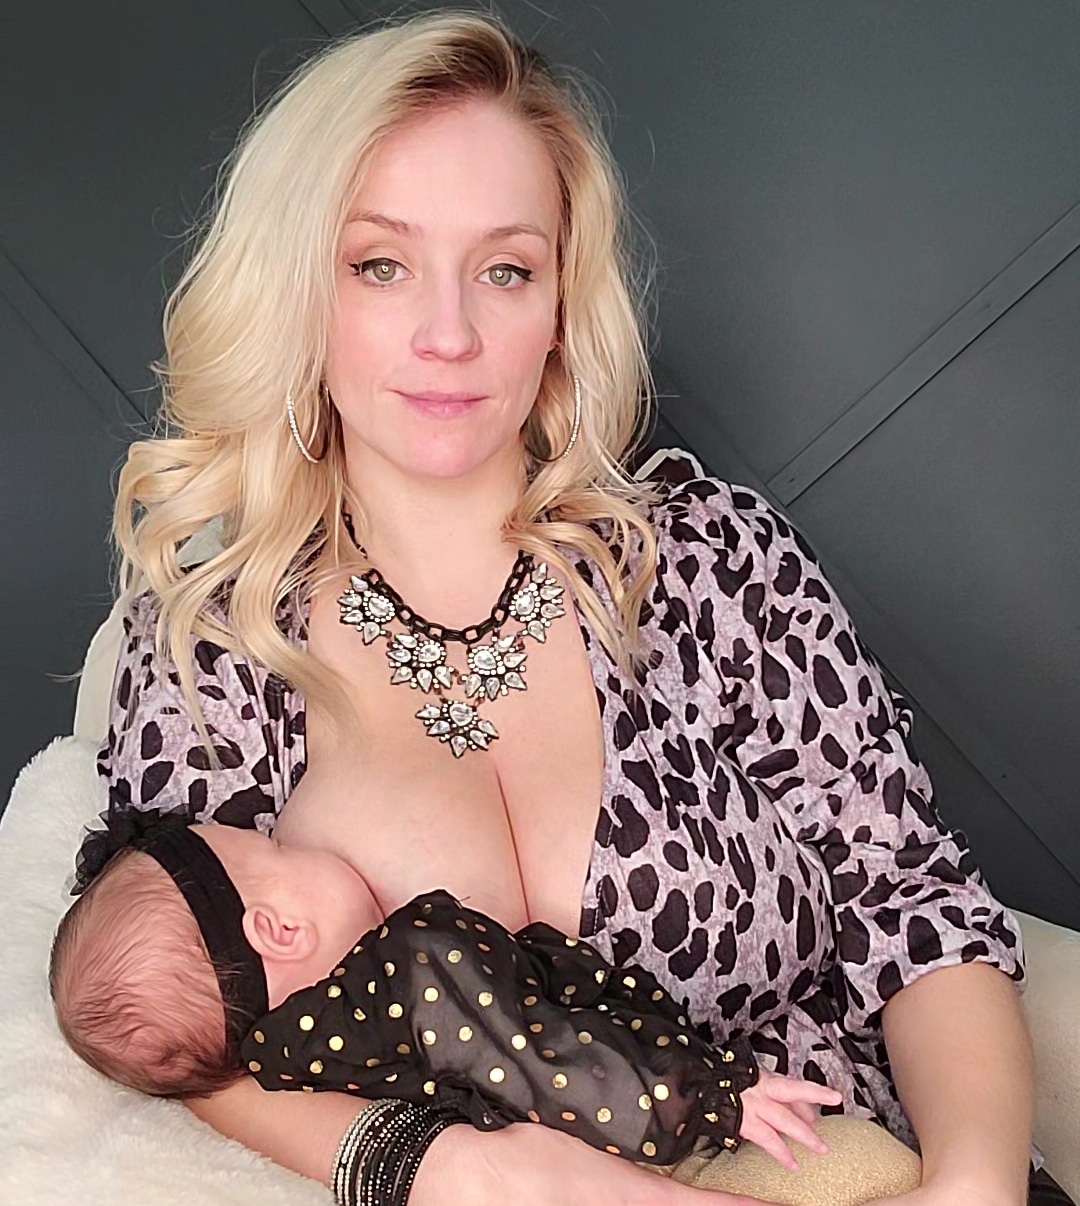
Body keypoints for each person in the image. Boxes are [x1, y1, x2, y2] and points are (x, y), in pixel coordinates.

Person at [90, 9, 1050, 1206]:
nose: (449, 335)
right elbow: (172, 1026)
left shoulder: (714, 561)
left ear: (559, 305)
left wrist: (972, 1185)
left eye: (506, 269)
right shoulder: (217, 636)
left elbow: (911, 902)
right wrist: (453, 1166)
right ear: (295, 289)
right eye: (379, 264)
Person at [50, 815, 841, 1174]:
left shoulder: (301, 1064)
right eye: (275, 844)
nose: (292, 837)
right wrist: (711, 1095)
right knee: (847, 1168)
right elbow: (549, 1065)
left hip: (630, 1147)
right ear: (279, 929)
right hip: (669, 1141)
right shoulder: (414, 970)